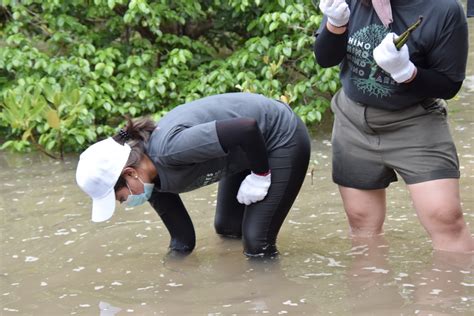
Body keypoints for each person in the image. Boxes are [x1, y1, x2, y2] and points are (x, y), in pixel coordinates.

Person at [313, 0, 473, 252]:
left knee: (446, 218)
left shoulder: (443, 10)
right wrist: (335, 24)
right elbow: (325, 58)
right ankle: (373, 286)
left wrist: (408, 72)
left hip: (415, 119)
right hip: (353, 120)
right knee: (361, 222)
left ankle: (452, 288)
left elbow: (449, 85)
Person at [76, 92, 311, 257]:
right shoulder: (150, 180)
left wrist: (260, 175)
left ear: (129, 173)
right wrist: (171, 282)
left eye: (121, 197)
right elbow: (183, 240)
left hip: (279, 135)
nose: (126, 202)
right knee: (228, 227)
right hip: (243, 151)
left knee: (256, 244)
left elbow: (247, 128)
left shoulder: (171, 150)